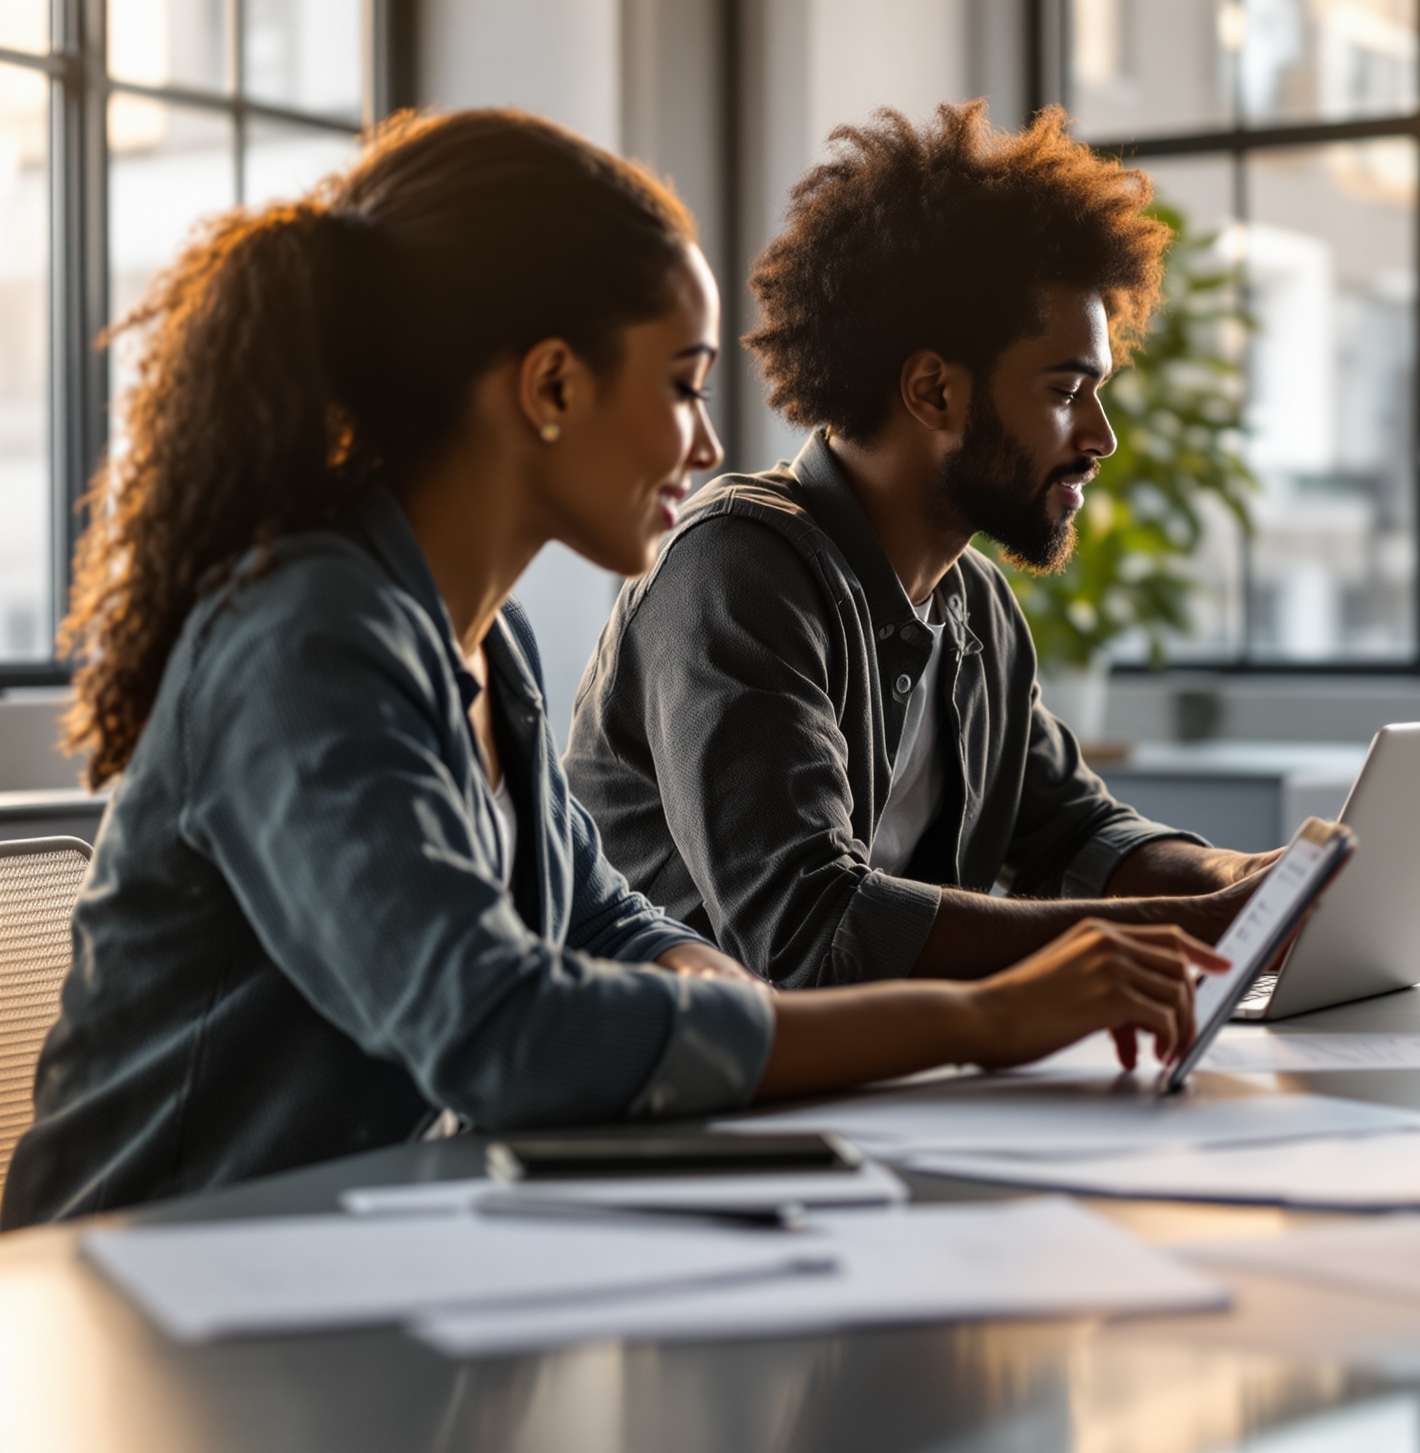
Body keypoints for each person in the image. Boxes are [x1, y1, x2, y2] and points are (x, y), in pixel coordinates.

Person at [0, 109, 1228, 1229]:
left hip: (372, 1256)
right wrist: (980, 1020)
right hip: (153, 1292)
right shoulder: (306, 639)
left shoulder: (489, 643)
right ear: (551, 385)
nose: (706, 442)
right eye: (684, 387)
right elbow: (500, 1028)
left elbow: (600, 920)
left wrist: (724, 1000)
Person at [563, 102, 1271, 992]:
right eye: (1066, 390)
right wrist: (1184, 929)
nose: (1100, 435)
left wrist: (1238, 883)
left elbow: (1072, 834)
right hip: (693, 1111)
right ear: (934, 390)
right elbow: (811, 935)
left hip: (887, 1094)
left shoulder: (975, 607)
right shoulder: (738, 571)